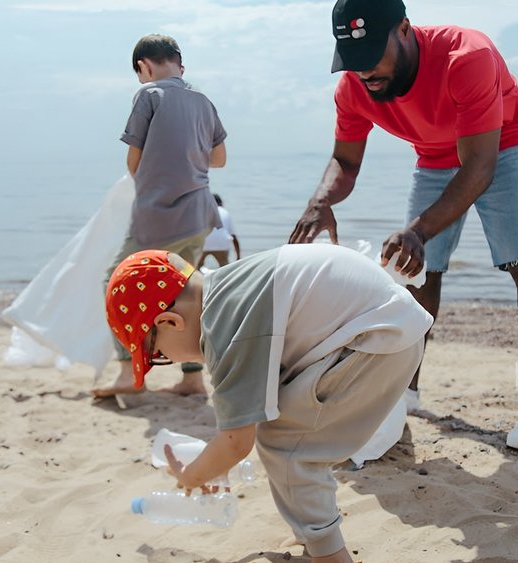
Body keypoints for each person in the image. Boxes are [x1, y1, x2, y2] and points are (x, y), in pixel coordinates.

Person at [289, 0, 518, 452]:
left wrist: (418, 229)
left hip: (503, 143)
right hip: (434, 155)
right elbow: (345, 161)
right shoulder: (353, 88)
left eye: (373, 55)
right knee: (416, 271)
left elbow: (479, 168)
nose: (365, 72)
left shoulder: (467, 56)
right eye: (353, 62)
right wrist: (320, 201)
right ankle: (407, 387)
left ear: (404, 30)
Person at [105, 246, 431, 563]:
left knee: (287, 445)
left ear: (170, 322)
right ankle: (310, 531)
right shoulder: (229, 290)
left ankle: (330, 554)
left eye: (157, 356)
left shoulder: (224, 329)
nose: (168, 360)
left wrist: (193, 476)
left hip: (376, 340)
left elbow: (235, 443)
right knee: (286, 426)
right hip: (386, 326)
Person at [93, 34, 228, 400]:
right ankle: (193, 376)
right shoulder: (202, 100)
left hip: (159, 216)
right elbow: (219, 159)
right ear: (179, 65)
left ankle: (126, 372)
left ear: (144, 66)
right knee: (188, 293)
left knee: (115, 283)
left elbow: (133, 161)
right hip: (199, 213)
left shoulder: (148, 95)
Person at [197, 193, 241, 269]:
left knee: (196, 267)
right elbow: (233, 237)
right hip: (222, 244)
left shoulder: (202, 211)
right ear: (221, 203)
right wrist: (238, 257)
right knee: (224, 267)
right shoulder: (225, 212)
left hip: (204, 243)